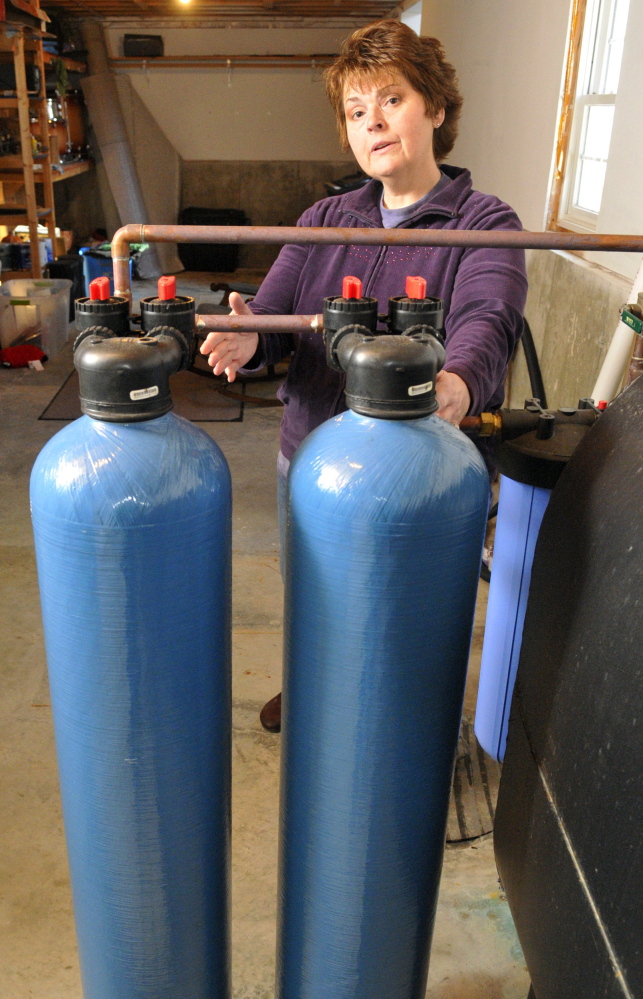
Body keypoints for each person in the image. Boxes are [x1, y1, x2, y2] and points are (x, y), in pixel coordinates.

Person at [200, 18, 527, 732]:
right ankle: (314, 687)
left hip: (415, 474)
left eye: (391, 101)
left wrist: (458, 382)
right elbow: (274, 315)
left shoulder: (484, 221)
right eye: (355, 111)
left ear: (435, 109)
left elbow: (486, 319)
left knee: (399, 610)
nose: (372, 123)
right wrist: (244, 338)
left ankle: (391, 736)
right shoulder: (324, 217)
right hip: (310, 459)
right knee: (313, 593)